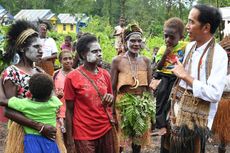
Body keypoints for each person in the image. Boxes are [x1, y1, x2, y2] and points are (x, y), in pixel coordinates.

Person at [170, 4, 227, 153]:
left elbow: (215, 94)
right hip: (180, 113)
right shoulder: (190, 47)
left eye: (191, 22)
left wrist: (186, 76)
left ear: (206, 28)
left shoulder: (219, 55)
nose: (187, 26)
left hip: (198, 122)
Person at [0, 20, 57, 153]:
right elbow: (8, 111)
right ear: (22, 48)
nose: (40, 51)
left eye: (41, 47)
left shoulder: (40, 72)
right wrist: (40, 127)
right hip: (24, 132)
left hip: (47, 130)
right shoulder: (12, 73)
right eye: (36, 47)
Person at [64, 34, 116, 153]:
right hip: (83, 132)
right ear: (83, 54)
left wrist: (110, 99)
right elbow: (69, 110)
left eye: (100, 50)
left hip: (105, 128)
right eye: (94, 51)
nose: (99, 54)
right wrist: (70, 140)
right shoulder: (72, 77)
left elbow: (111, 101)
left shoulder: (105, 74)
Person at [111, 24, 152, 153]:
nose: (136, 44)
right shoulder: (117, 60)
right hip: (123, 103)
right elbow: (112, 87)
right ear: (125, 42)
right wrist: (112, 110)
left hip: (141, 103)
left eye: (139, 41)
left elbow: (149, 87)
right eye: (133, 41)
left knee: (138, 137)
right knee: (121, 137)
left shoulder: (146, 61)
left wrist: (150, 109)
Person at [0, 73, 62, 153]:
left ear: (30, 92)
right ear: (50, 93)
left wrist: (0, 82)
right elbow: (54, 94)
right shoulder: (55, 102)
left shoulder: (24, 104)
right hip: (50, 140)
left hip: (32, 141)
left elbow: (2, 101)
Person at [149, 17, 187, 137]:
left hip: (178, 77)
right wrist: (166, 53)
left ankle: (176, 123)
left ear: (181, 38)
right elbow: (159, 67)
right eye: (165, 36)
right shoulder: (162, 49)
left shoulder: (186, 46)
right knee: (161, 96)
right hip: (165, 76)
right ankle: (161, 125)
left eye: (172, 37)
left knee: (175, 101)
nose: (167, 40)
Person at [212, 35, 230, 153]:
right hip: (221, 103)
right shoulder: (218, 67)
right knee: (222, 136)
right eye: (227, 51)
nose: (228, 54)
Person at [53, 51, 74, 144]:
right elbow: (51, 94)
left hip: (75, 113)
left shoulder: (77, 74)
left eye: (70, 58)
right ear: (60, 61)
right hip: (59, 114)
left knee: (73, 140)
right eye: (65, 59)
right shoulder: (55, 74)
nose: (68, 61)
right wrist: (56, 96)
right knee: (61, 141)